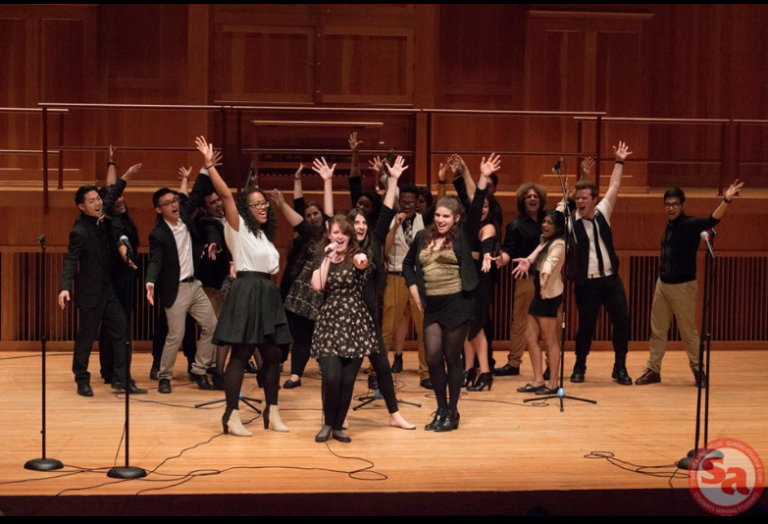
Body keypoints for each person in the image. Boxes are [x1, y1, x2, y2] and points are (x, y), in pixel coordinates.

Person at [195, 136, 291, 437]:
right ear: (245, 209)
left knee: (272, 355)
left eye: (264, 203)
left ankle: (272, 411)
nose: (262, 207)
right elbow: (225, 196)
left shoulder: (263, 235)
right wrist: (209, 166)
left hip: (267, 292)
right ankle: (231, 415)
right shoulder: (236, 227)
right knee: (241, 353)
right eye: (256, 204)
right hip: (248, 289)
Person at [403, 154, 497, 432]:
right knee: (433, 357)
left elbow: (476, 205)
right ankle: (441, 408)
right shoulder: (423, 237)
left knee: (451, 356)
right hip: (432, 306)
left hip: (458, 304)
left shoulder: (463, 234)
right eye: (438, 215)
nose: (441, 220)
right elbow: (408, 264)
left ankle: (452, 412)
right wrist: (415, 291)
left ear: (456, 219)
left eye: (446, 216)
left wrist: (482, 178)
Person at [326, 154, 417, 430]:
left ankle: (394, 414)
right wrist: (328, 182)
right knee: (347, 373)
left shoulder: (375, 242)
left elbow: (387, 211)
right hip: (347, 321)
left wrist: (394, 181)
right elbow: (330, 220)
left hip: (369, 318)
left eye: (364, 222)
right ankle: (339, 417)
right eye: (356, 223)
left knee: (382, 366)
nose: (361, 226)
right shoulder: (341, 250)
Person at [635, 181, 744, 387]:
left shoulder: (689, 224)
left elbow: (712, 220)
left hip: (683, 287)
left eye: (675, 204)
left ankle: (698, 370)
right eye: (668, 204)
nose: (671, 208)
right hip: (662, 285)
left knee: (688, 333)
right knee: (658, 330)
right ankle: (653, 370)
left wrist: (726, 200)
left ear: (682, 205)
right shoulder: (669, 226)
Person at [561, 141, 633, 385]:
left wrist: (619, 161)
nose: (580, 201)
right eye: (577, 198)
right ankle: (579, 365)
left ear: (594, 200)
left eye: (584, 198)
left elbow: (614, 185)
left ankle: (620, 367)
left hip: (611, 280)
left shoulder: (603, 211)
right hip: (587, 284)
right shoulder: (570, 222)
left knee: (622, 320)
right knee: (586, 326)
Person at [58, 185, 142, 396]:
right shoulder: (79, 231)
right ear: (81, 206)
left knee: (122, 330)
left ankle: (122, 378)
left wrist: (125, 253)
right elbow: (71, 260)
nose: (97, 203)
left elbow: (118, 232)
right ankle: (82, 379)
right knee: (86, 338)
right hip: (90, 294)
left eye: (98, 199)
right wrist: (64, 287)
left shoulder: (106, 221)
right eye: (91, 201)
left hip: (108, 291)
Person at [145, 168, 218, 394]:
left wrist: (206, 166)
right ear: (159, 209)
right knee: (175, 335)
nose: (174, 205)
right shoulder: (158, 234)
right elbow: (155, 261)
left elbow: (196, 193)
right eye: (168, 203)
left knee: (212, 325)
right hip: (175, 289)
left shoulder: (185, 216)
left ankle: (199, 369)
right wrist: (150, 282)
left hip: (194, 285)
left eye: (175, 200)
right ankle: (164, 376)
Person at [311, 214, 378, 444]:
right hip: (329, 324)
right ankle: (327, 424)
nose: (340, 236)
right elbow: (318, 285)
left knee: (347, 381)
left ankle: (338, 426)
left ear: (350, 236)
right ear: (329, 235)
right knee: (331, 377)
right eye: (335, 232)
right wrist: (328, 257)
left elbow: (362, 262)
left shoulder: (356, 256)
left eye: (344, 233)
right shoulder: (323, 259)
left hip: (354, 325)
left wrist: (359, 257)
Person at [275, 162, 332, 389]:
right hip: (299, 291)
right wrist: (296, 182)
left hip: (322, 292)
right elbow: (298, 212)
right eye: (309, 215)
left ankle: (326, 366)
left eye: (316, 213)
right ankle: (294, 373)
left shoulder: (328, 234)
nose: (312, 217)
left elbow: (326, 214)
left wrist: (327, 181)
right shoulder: (306, 234)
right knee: (298, 332)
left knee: (321, 332)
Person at [97, 146, 142, 386]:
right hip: (114, 279)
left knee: (114, 327)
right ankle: (115, 373)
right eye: (117, 197)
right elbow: (109, 194)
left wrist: (111, 162)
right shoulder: (106, 220)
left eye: (123, 196)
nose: (121, 199)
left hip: (125, 279)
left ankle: (110, 371)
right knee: (116, 328)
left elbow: (111, 192)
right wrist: (124, 176)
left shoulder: (122, 219)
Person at [509, 210, 566, 395]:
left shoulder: (559, 244)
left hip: (548, 295)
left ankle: (553, 383)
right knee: (530, 336)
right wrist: (527, 261)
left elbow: (549, 263)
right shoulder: (546, 240)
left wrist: (543, 280)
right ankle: (538, 380)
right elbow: (537, 257)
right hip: (539, 294)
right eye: (544, 221)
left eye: (550, 222)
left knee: (550, 340)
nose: (545, 225)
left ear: (558, 227)